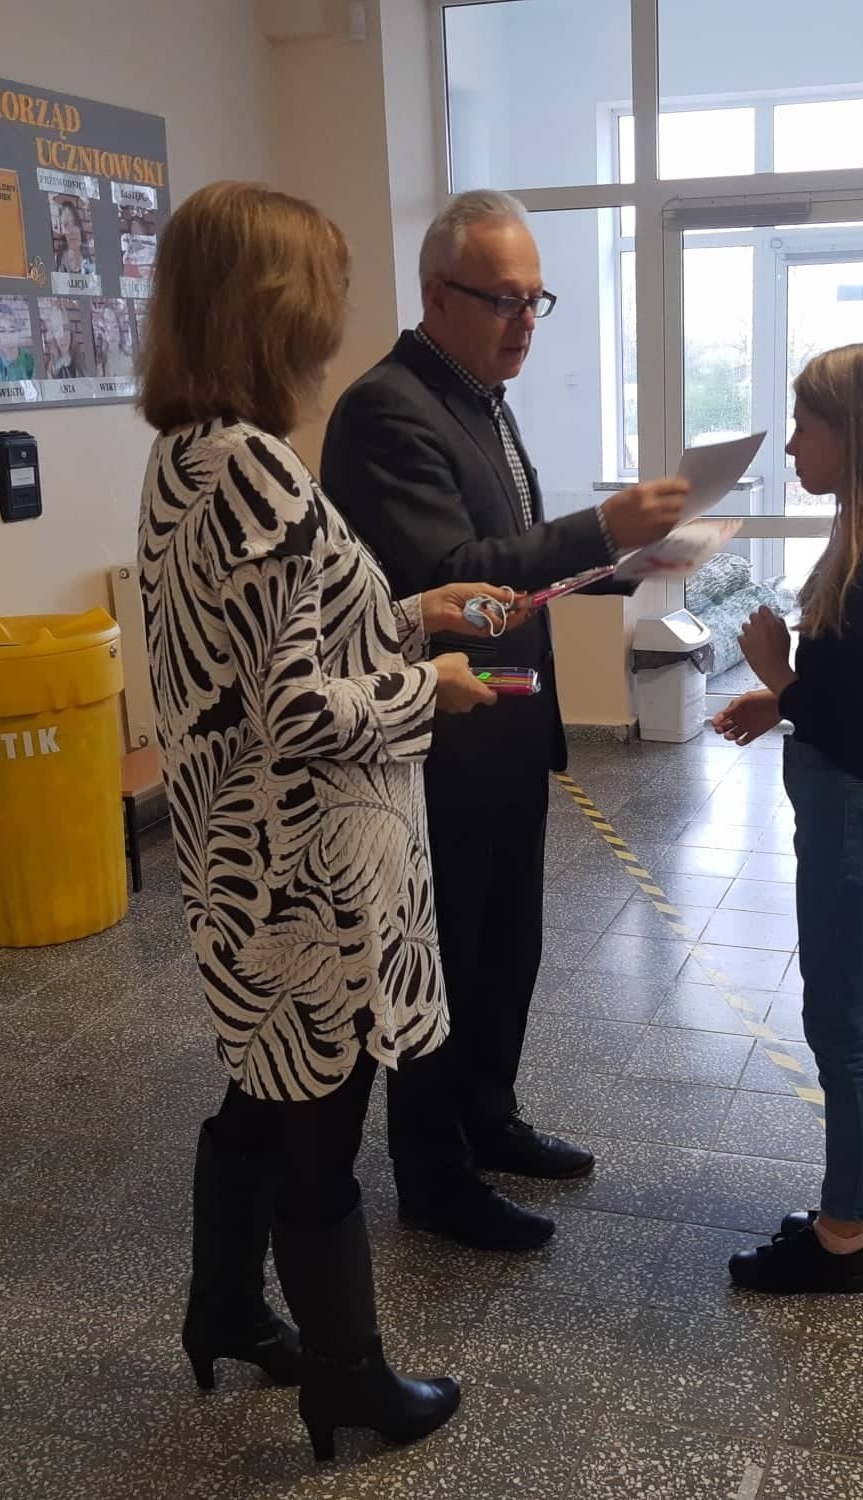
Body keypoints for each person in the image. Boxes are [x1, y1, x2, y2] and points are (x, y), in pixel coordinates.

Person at [136, 180, 526, 1459]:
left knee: (260, 1091)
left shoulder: (189, 456)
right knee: (317, 1129)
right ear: (271, 305)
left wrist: (411, 614)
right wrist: (430, 688)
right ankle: (347, 1379)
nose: (333, 317)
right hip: (306, 873)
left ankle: (222, 1307)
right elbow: (298, 710)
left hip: (243, 856)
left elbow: (278, 650)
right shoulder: (252, 472)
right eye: (322, 290)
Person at [323, 190, 689, 1253]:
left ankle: (489, 1118)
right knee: (441, 962)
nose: (525, 321)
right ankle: (434, 1176)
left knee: (504, 951)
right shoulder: (387, 409)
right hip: (439, 741)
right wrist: (599, 526)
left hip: (507, 732)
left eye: (537, 300)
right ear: (437, 294)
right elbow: (451, 578)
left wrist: (621, 562)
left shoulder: (480, 396)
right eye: (503, 300)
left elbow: (515, 577)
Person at [714, 340, 863, 1295]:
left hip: (853, 813)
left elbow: (860, 723)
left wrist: (781, 674)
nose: (794, 444)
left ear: (853, 435)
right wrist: (789, 700)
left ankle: (840, 1239)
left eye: (806, 426)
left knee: (840, 1028)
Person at [53, 196, 94, 276]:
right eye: (66, 225)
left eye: (74, 223)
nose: (71, 230)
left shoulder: (90, 259)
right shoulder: (58, 260)